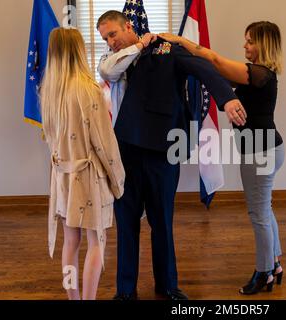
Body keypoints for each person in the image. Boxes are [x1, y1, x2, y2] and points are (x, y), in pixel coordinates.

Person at [97, 10, 246, 300]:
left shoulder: (165, 48)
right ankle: (125, 292)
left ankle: (167, 286)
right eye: (105, 38)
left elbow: (205, 69)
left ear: (129, 26)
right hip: (125, 149)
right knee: (126, 224)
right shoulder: (112, 61)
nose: (110, 41)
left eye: (113, 34)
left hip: (162, 151)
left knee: (162, 221)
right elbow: (107, 74)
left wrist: (227, 98)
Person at [160, 20, 285, 295]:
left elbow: (214, 59)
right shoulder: (258, 74)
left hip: (260, 150)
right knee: (265, 208)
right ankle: (275, 263)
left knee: (259, 213)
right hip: (266, 147)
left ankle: (264, 272)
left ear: (263, 44)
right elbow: (214, 72)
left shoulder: (258, 73)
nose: (245, 45)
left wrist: (180, 42)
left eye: (250, 41)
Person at [40, 27, 125, 300]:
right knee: (96, 243)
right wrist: (118, 180)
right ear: (78, 51)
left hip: (62, 178)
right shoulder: (88, 91)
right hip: (89, 178)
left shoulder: (49, 91)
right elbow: (105, 144)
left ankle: (74, 298)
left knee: (70, 243)